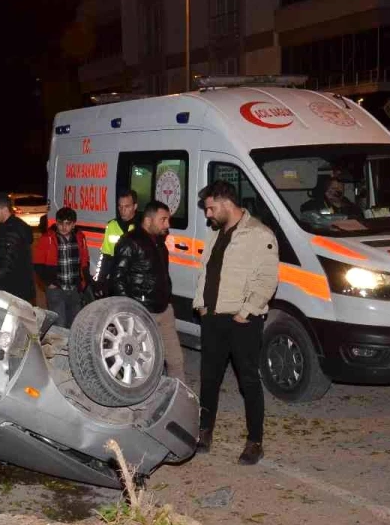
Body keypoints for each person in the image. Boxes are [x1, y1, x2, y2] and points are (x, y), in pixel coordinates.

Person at [193, 180, 280, 466]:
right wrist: (201, 305)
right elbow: (207, 271)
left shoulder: (259, 234)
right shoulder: (216, 233)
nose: (208, 214)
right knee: (209, 378)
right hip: (213, 318)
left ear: (226, 202)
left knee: (249, 381)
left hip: (242, 321)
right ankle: (204, 432)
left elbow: (267, 280)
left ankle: (255, 441)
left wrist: (246, 312)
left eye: (210, 208)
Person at [109, 201, 183, 380]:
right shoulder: (130, 241)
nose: (167, 225)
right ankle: (144, 404)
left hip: (164, 310)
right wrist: (131, 310)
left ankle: (179, 401)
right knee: (144, 365)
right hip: (141, 313)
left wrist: (168, 298)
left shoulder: (159, 243)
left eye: (168, 220)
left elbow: (161, 274)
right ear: (148, 220)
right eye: (163, 220)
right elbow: (117, 279)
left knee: (176, 361)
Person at [34, 206, 90, 327]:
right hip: (56, 289)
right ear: (56, 222)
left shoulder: (80, 237)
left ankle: (71, 346)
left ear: (74, 224)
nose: (64, 227)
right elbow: (37, 264)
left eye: (68, 224)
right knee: (59, 324)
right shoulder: (47, 238)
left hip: (74, 288)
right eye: (60, 223)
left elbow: (84, 260)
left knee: (75, 323)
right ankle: (59, 346)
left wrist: (84, 281)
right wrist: (49, 282)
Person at [0, 192, 36, 302]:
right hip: (22, 291)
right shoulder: (16, 226)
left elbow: (6, 264)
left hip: (13, 293)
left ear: (4, 209)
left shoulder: (10, 231)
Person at [92, 189, 139, 293]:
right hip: (115, 279)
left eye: (127, 206)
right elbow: (105, 256)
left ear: (135, 206)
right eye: (120, 207)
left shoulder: (141, 227)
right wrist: (100, 280)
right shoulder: (112, 226)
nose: (122, 210)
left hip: (134, 281)